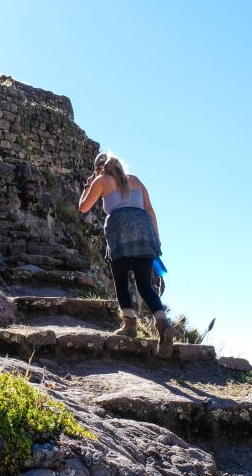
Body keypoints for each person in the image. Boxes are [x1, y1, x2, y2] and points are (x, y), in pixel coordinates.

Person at [78, 152, 175, 358]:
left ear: (99, 168)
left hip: (120, 230)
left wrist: (87, 185)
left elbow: (83, 207)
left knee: (121, 281)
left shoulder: (101, 180)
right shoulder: (135, 180)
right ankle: (163, 324)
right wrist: (156, 238)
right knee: (144, 285)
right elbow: (150, 210)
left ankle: (129, 324)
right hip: (144, 232)